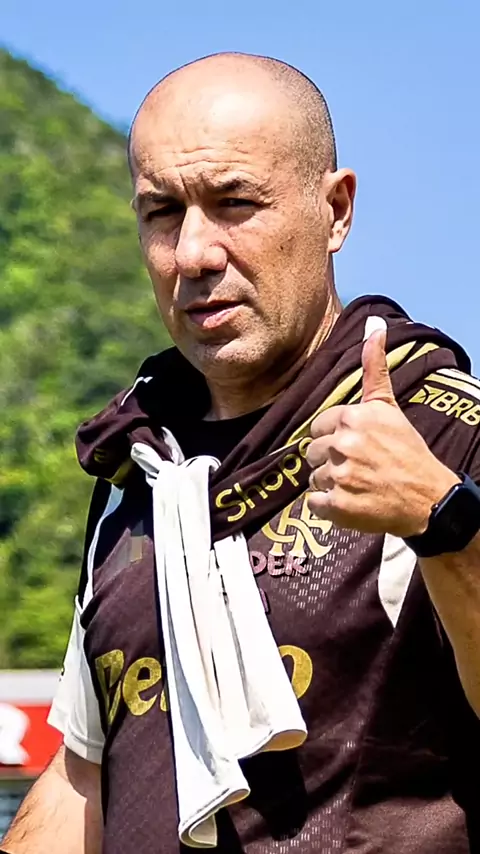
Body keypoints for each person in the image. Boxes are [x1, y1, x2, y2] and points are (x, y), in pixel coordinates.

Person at [3, 51, 480, 854]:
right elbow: (84, 778)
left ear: (336, 210)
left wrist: (446, 523)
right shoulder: (137, 473)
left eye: (235, 203)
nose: (194, 253)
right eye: (162, 212)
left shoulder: (447, 432)